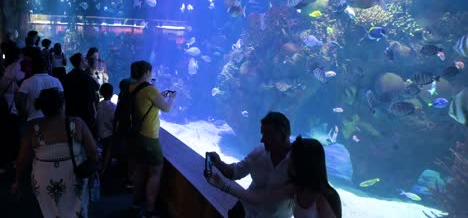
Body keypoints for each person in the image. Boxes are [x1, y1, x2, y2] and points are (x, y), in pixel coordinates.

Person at [12, 88, 98, 218]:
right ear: (62, 104)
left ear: (42, 107)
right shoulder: (76, 123)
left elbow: (22, 160)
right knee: (76, 211)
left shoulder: (34, 130)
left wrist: (17, 181)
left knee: (50, 212)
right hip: (74, 175)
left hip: (43, 178)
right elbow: (94, 153)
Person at [207, 137, 342, 218]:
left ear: (305, 165)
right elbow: (257, 198)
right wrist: (222, 185)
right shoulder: (296, 188)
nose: (288, 163)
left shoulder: (325, 197)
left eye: (292, 160)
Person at [208, 111, 293, 218]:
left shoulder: (297, 163)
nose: (262, 140)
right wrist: (219, 163)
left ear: (282, 135)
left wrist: (224, 186)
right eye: (263, 134)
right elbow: (235, 172)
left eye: (267, 135)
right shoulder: (258, 153)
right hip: (245, 210)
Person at [128, 60, 176, 218]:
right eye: (151, 72)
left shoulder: (131, 86)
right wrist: (172, 98)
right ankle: (149, 210)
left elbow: (146, 103)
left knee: (140, 171)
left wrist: (159, 97)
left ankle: (135, 204)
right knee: (155, 172)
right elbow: (167, 109)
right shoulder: (150, 89)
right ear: (147, 72)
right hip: (150, 138)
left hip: (137, 136)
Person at [63, 53, 99, 137]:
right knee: (87, 135)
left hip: (71, 111)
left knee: (74, 135)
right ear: (81, 62)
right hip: (86, 112)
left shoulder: (67, 77)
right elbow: (96, 88)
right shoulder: (87, 78)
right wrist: (94, 112)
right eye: (84, 59)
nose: (86, 60)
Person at [96, 83, 116, 176]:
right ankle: (104, 169)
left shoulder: (99, 105)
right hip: (108, 133)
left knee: (104, 149)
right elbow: (113, 120)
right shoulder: (112, 106)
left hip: (99, 131)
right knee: (108, 149)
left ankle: (101, 165)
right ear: (112, 94)